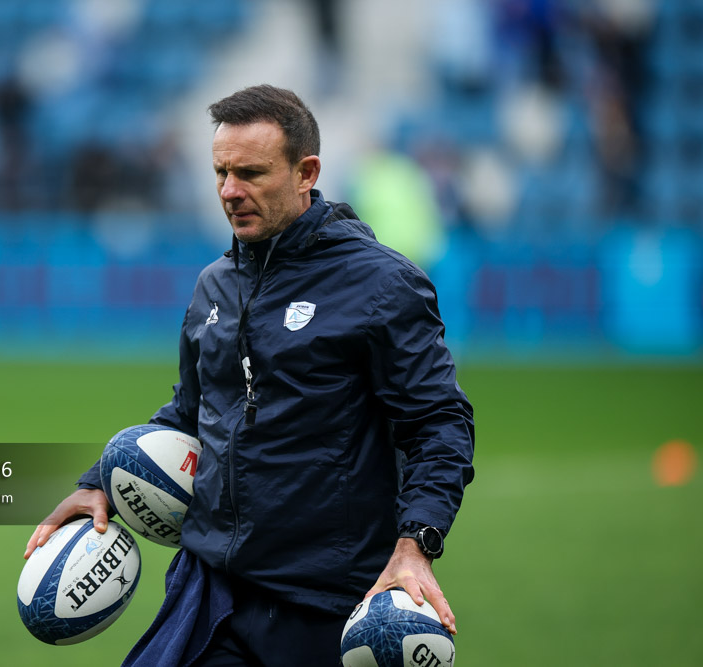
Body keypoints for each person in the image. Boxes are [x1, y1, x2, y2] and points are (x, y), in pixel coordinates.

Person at [25, 84, 475, 666]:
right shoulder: (214, 282)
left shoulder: (382, 285)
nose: (230, 192)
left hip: (320, 601)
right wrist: (98, 482)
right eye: (220, 173)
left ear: (306, 171)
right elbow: (190, 412)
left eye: (251, 173)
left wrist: (418, 545)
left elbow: (440, 424)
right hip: (209, 587)